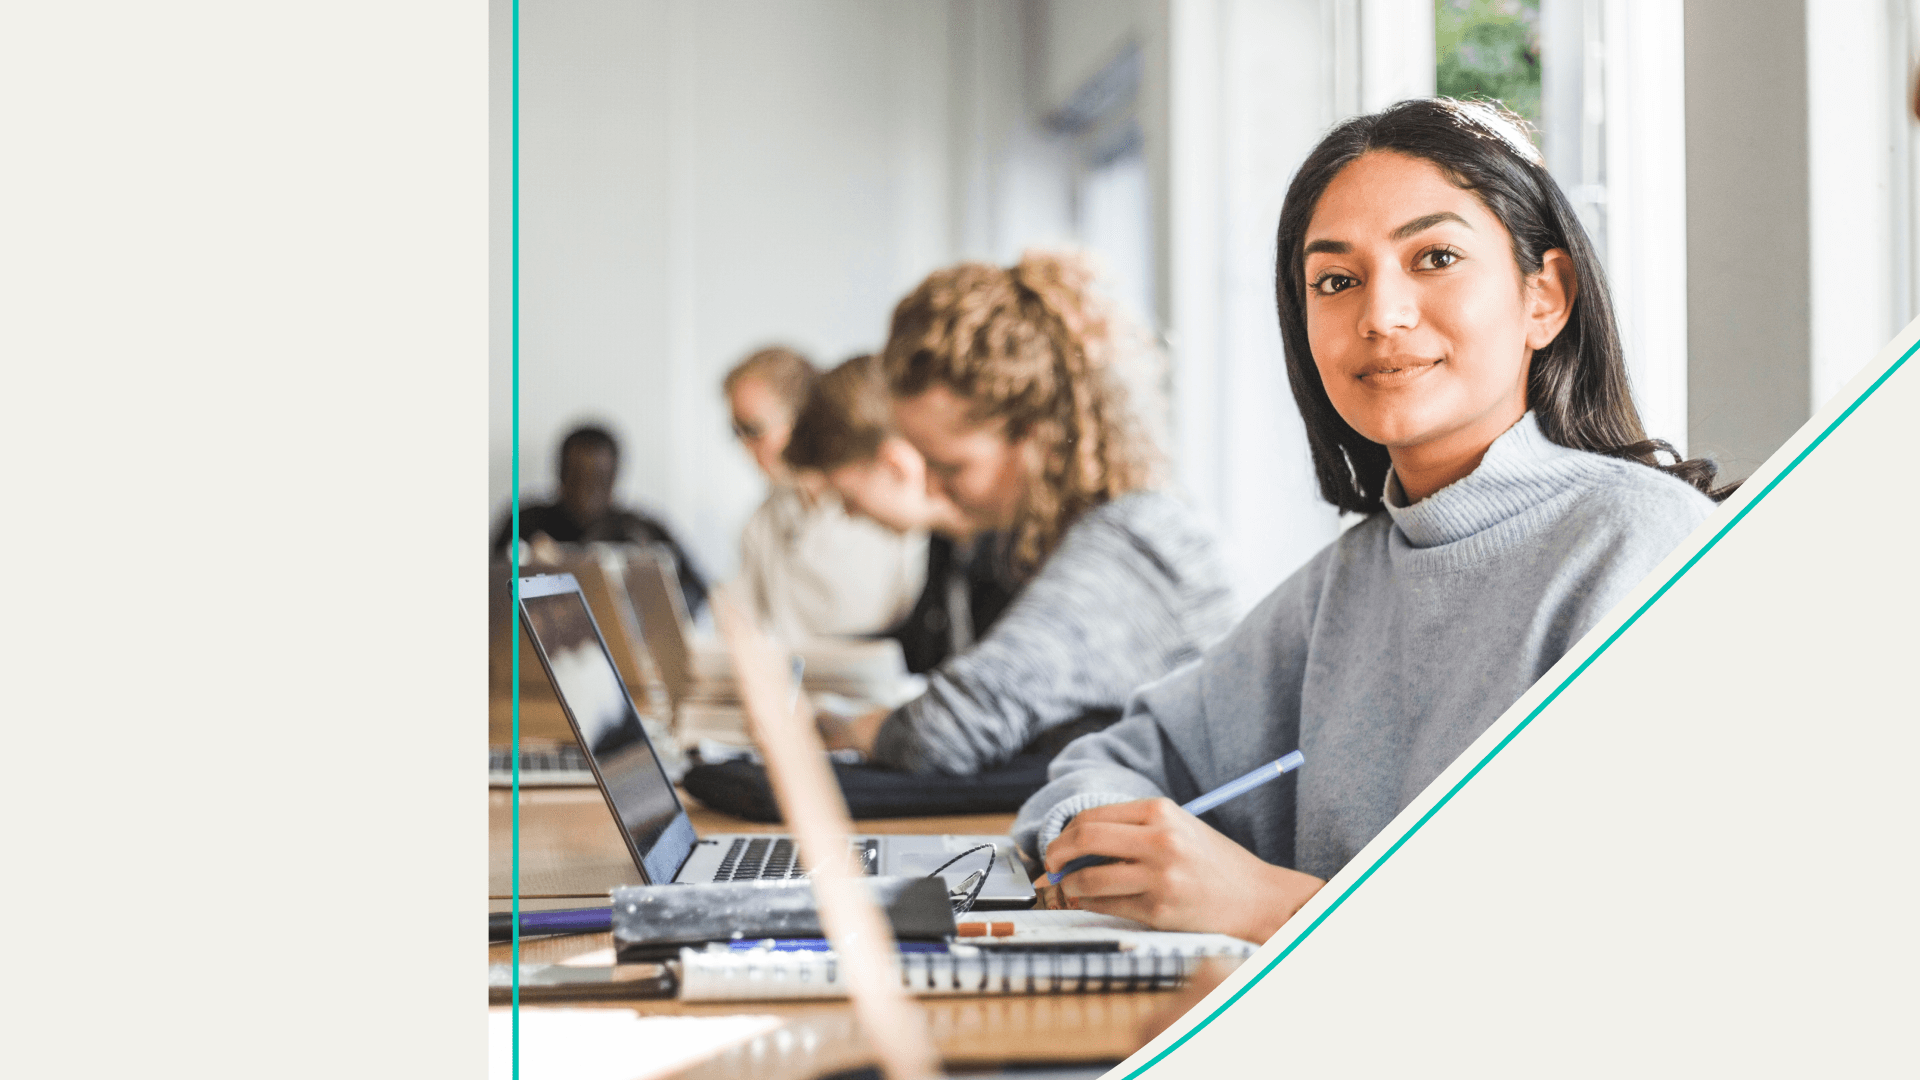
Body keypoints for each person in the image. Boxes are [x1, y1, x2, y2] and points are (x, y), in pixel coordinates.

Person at [1014, 99, 1728, 943]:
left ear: (1546, 297)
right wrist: (1103, 845)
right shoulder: (1347, 581)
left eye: (1436, 258)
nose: (1381, 316)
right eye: (1336, 280)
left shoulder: (1647, 547)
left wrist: (1272, 907)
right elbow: (1109, 764)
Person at [821, 251, 1238, 775]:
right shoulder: (1072, 536)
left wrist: (840, 727)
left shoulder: (1134, 544)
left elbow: (947, 730)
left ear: (1035, 435)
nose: (929, 487)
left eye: (949, 466)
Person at [782, 353, 1019, 674]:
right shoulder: (946, 545)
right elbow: (918, 650)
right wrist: (794, 659)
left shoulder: (1016, 552)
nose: (849, 514)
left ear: (894, 465)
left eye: (848, 497)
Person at [725, 346, 927, 644]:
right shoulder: (761, 522)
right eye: (736, 432)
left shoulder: (888, 500)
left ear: (799, 417)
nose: (745, 447)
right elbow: (744, 623)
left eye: (753, 429)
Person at [492, 424, 708, 616]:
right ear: (560, 474)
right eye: (576, 479)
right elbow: (492, 591)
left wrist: (645, 585)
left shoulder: (642, 531)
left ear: (614, 478)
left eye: (598, 481)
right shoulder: (525, 524)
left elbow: (696, 592)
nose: (585, 495)